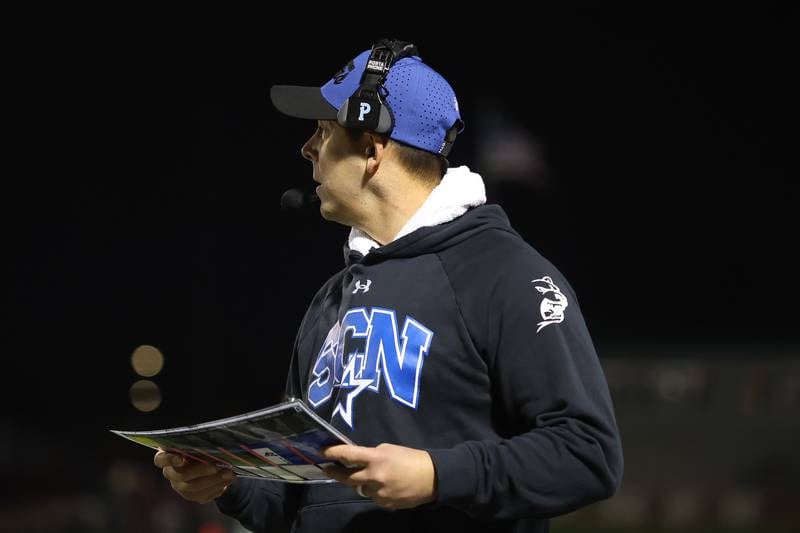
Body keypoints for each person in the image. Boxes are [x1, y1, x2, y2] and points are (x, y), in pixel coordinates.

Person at [154, 38, 623, 532]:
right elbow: (305, 506)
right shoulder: (329, 300)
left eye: (323, 130)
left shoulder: (507, 275)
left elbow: (587, 454)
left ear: (372, 149)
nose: (307, 148)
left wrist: (437, 474)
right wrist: (234, 484)